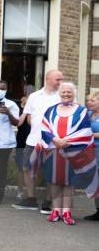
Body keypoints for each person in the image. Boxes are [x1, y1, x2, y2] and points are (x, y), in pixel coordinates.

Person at [32, 83, 94, 225]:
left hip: (73, 151)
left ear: (74, 93)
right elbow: (45, 128)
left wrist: (67, 141)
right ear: (59, 94)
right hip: (53, 150)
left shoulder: (82, 111)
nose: (66, 94)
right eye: (64, 92)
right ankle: (55, 210)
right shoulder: (51, 110)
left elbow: (85, 130)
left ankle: (66, 212)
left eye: (69, 92)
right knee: (54, 181)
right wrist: (55, 140)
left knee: (69, 183)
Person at [12, 70, 63, 212]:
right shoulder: (33, 96)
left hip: (52, 142)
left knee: (50, 172)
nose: (60, 82)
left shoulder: (62, 97)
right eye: (58, 79)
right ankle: (31, 199)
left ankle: (47, 202)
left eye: (61, 79)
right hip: (33, 139)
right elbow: (26, 117)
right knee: (27, 168)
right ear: (48, 79)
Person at [84, 91, 99, 221]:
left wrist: (87, 135)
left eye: (92, 101)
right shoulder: (88, 114)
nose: (89, 103)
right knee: (94, 182)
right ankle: (98, 211)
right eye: (88, 100)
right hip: (90, 152)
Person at [14, 96, 30, 200]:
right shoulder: (19, 110)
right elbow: (18, 123)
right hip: (21, 141)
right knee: (21, 167)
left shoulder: (33, 112)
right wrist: (25, 110)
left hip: (32, 142)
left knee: (30, 168)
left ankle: (29, 192)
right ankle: (20, 190)